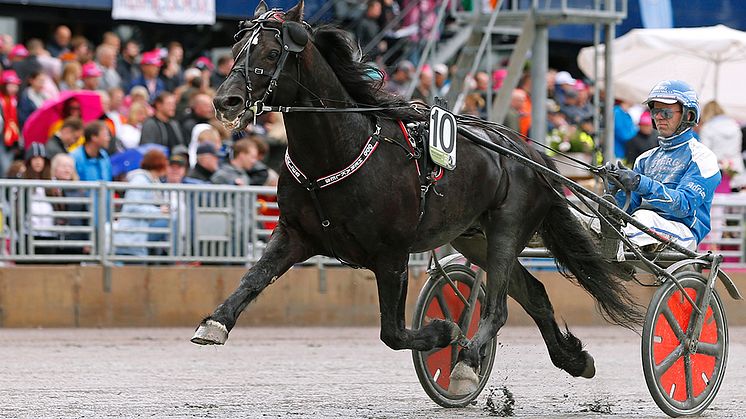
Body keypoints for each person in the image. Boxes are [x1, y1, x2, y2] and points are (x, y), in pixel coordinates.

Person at [606, 80, 721, 252]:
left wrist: (640, 183)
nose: (658, 117)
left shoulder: (703, 157)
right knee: (594, 218)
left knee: (643, 218)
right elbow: (627, 209)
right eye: (655, 111)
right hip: (644, 228)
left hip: (683, 232)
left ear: (688, 115)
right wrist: (617, 189)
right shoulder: (644, 159)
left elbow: (683, 206)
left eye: (666, 112)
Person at [113, 149, 169, 258]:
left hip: (136, 239)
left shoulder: (151, 181)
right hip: (131, 239)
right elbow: (133, 207)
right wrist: (158, 211)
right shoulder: (140, 181)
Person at [698, 100, 746, 191]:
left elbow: (704, 152)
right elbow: (738, 148)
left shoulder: (707, 127)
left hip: (715, 170)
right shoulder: (735, 125)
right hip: (736, 167)